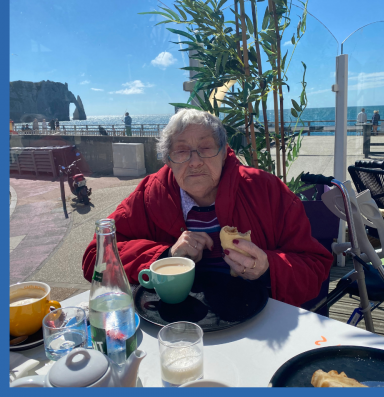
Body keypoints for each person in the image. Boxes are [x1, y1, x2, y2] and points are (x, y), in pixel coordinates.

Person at [81, 109, 333, 307]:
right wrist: (165, 257)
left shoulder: (266, 190)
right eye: (181, 151)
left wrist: (268, 268)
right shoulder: (150, 195)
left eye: (206, 148)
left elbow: (315, 267)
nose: (194, 162)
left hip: (258, 316)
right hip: (173, 322)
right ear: (167, 159)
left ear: (224, 152)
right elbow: (95, 258)